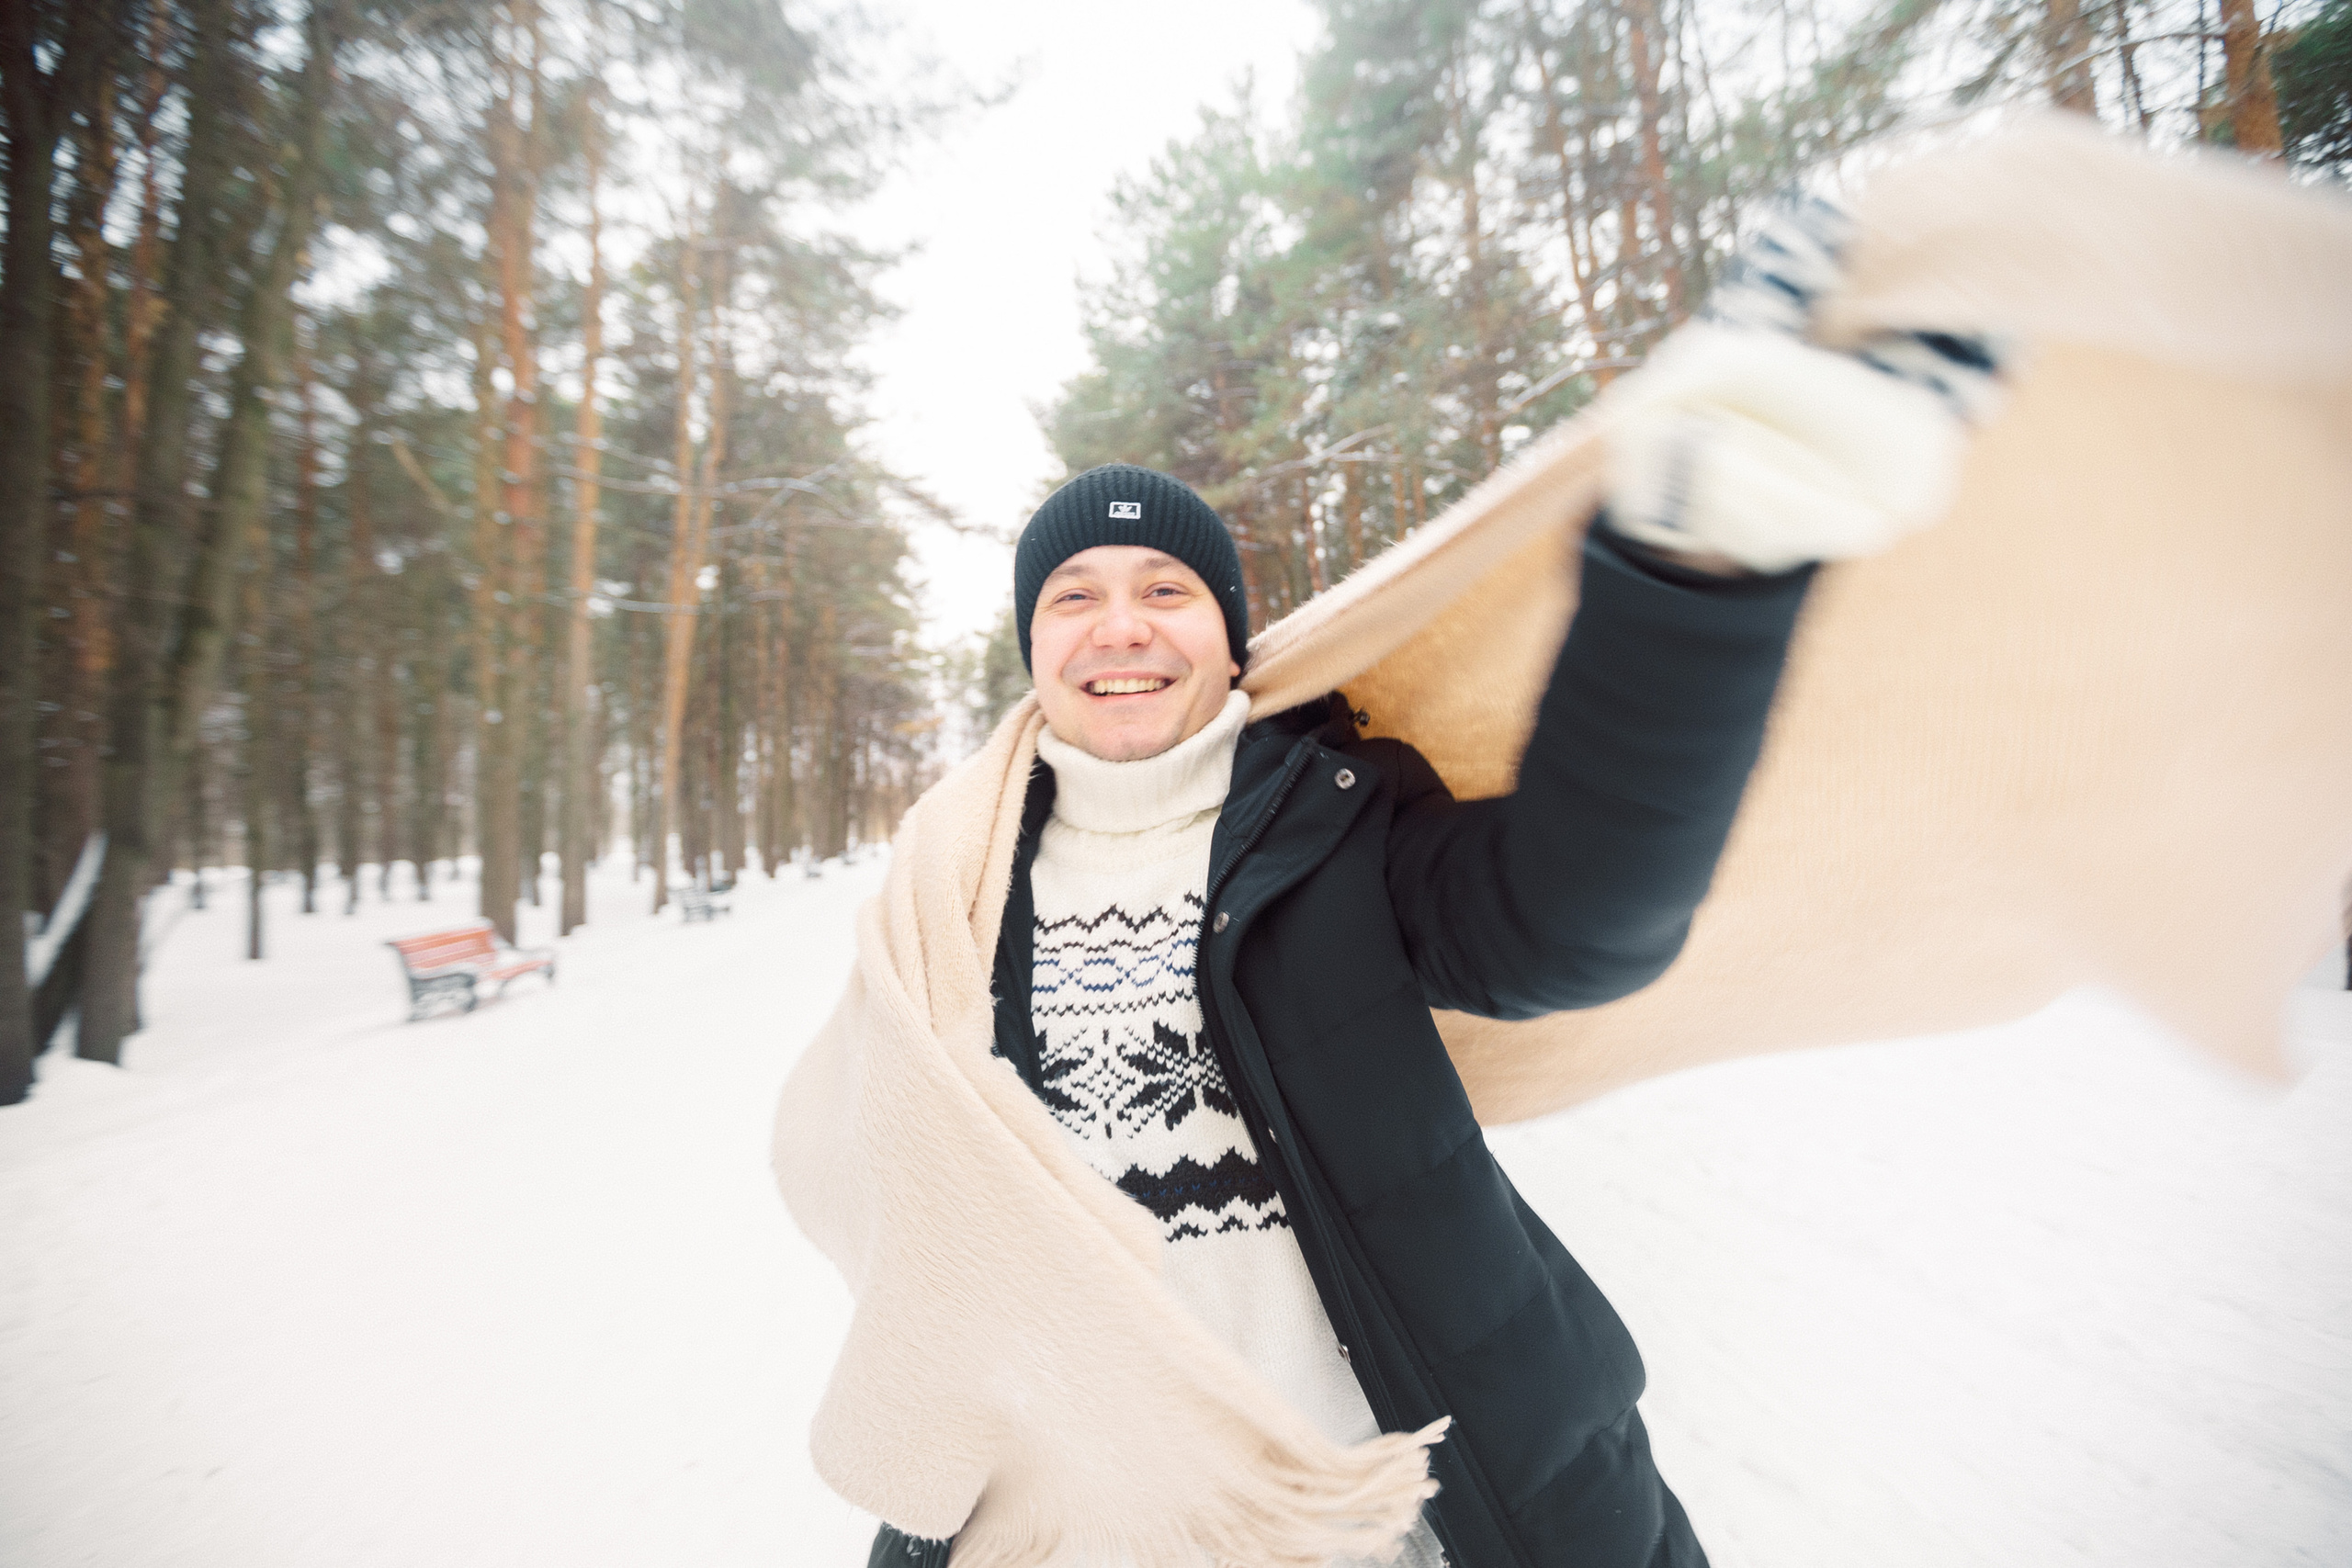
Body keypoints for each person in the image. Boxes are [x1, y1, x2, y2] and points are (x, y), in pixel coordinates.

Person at [864, 207, 1996, 1567]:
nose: (1121, 626)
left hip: (1390, 1522)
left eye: (1166, 587)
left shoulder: (1332, 820)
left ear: (1231, 638)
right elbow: (939, 1274)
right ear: (1032, 647)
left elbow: (1573, 920)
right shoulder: (954, 888)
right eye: (1073, 596)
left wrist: (1699, 568)